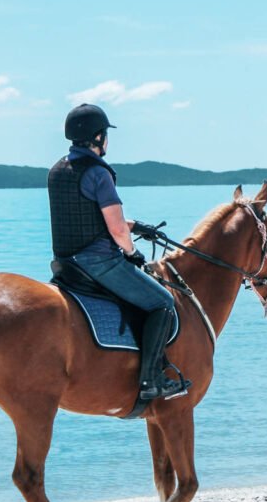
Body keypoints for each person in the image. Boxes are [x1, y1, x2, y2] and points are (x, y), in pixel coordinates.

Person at [48, 103, 190, 401]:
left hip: (66, 263)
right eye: (105, 134)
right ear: (98, 137)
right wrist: (133, 252)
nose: (107, 140)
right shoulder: (99, 173)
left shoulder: (58, 170)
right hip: (98, 262)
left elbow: (88, 216)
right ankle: (151, 381)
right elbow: (115, 229)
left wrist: (137, 226)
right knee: (163, 302)